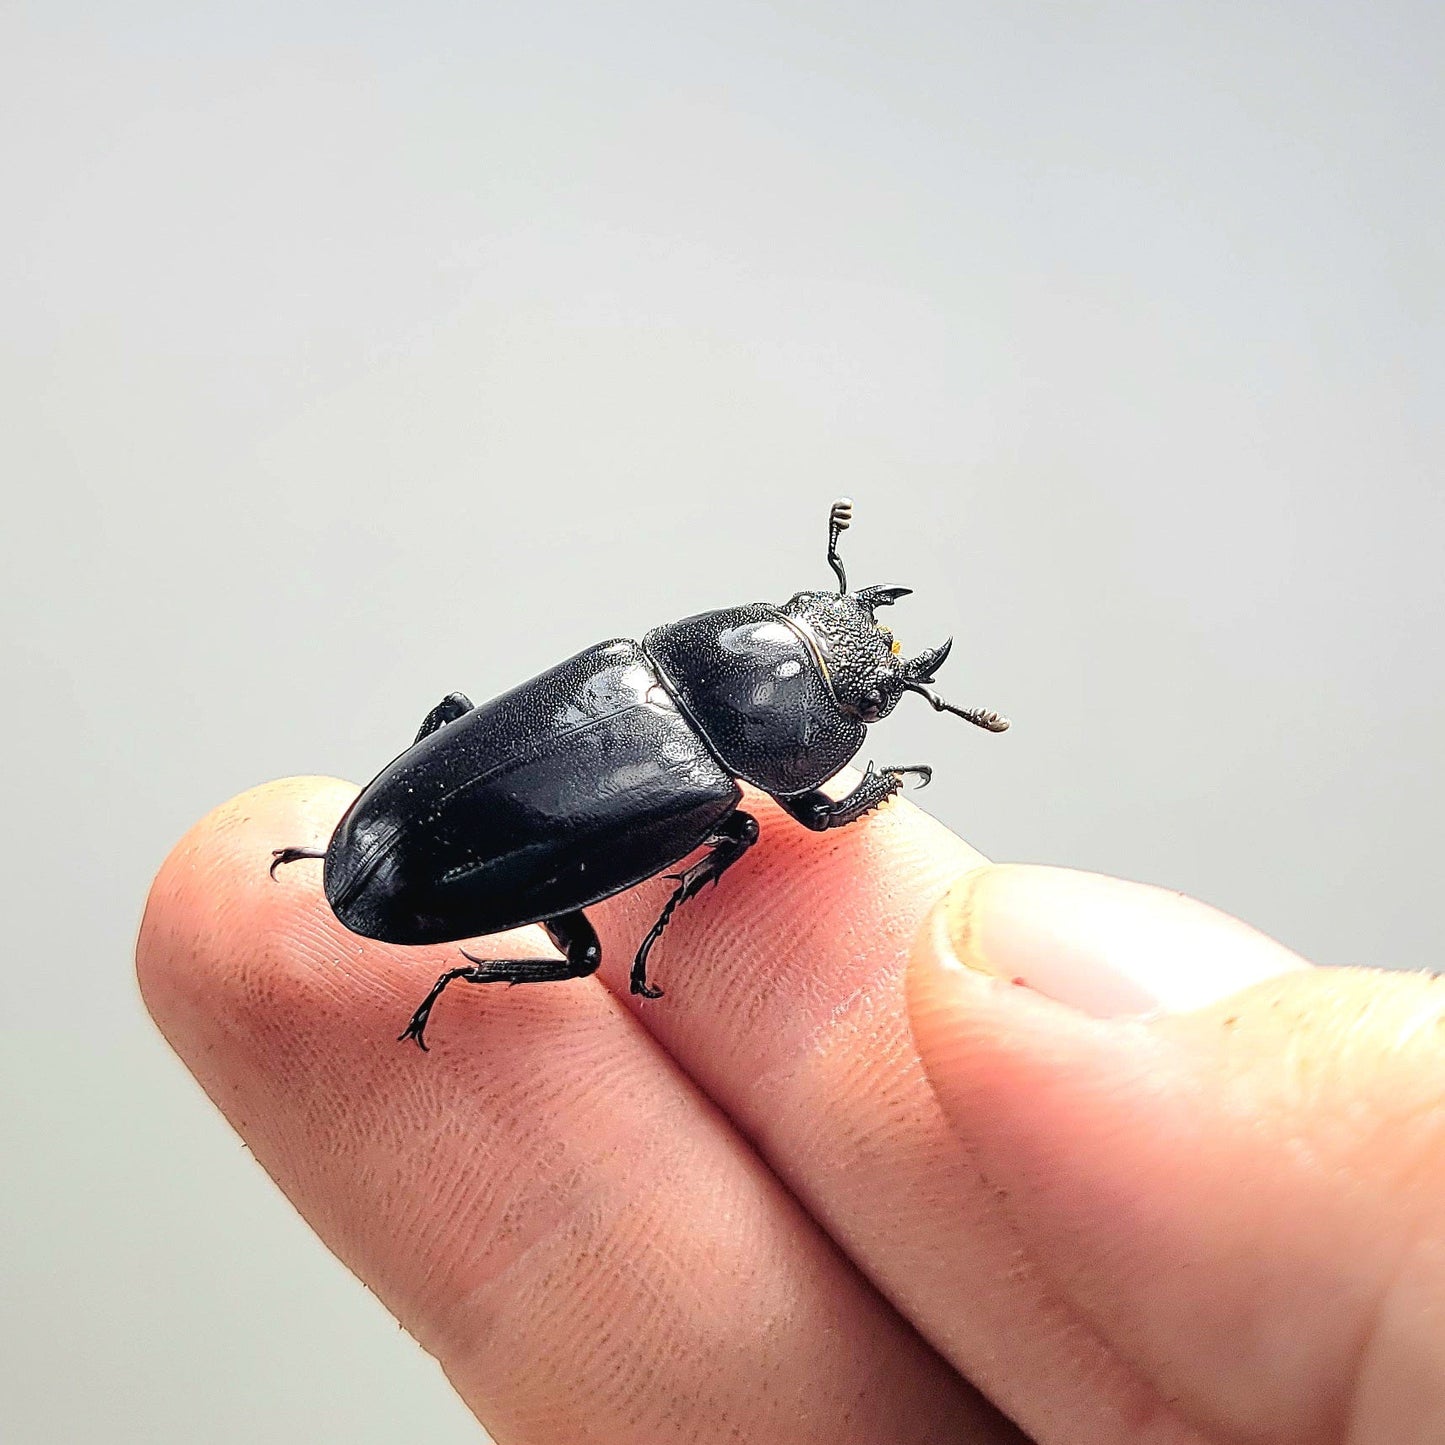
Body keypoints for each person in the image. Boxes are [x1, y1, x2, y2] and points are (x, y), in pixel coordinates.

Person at [137, 774, 1444, 1444]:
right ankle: (476, 968)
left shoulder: (667, 724)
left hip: (405, 839)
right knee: (606, 946)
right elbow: (798, 821)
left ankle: (462, 957)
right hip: (420, 872)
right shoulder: (718, 806)